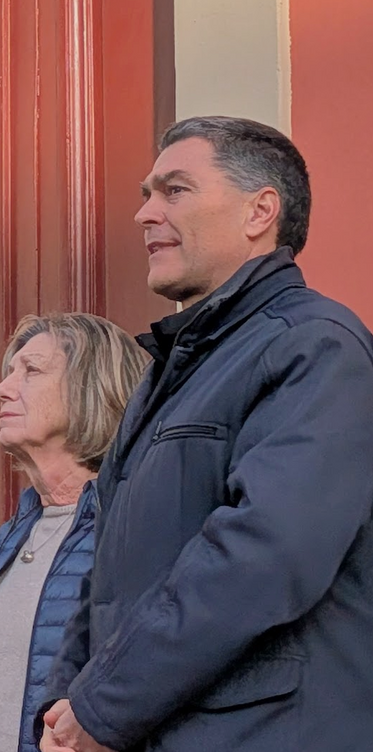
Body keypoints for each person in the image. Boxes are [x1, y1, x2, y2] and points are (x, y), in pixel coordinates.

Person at [39, 116, 373, 752]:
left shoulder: (314, 345)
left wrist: (104, 706)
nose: (145, 213)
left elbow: (265, 555)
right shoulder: (170, 375)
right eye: (147, 194)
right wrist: (68, 703)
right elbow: (107, 576)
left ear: (260, 211)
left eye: (175, 190)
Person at [0, 313, 147, 752]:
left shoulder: (128, 526)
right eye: (9, 372)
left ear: (91, 387)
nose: (2, 388)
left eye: (32, 370)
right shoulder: (10, 536)